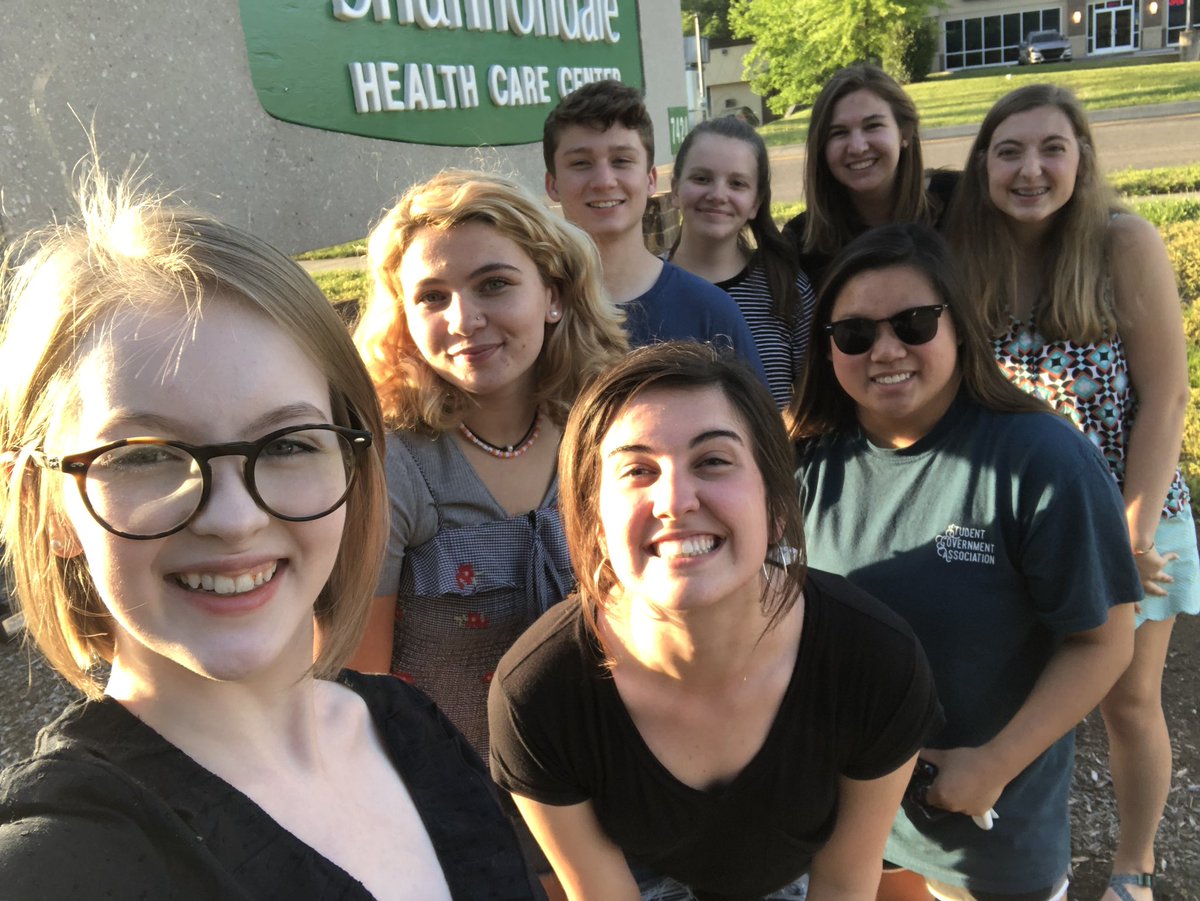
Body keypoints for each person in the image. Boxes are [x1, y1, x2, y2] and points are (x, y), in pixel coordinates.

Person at [0, 167, 539, 898]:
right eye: (147, 456)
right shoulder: (58, 863)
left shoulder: (409, 728)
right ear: (46, 503)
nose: (233, 517)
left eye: (286, 444)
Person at [489, 341, 945, 900]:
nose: (675, 500)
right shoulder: (537, 694)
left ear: (776, 505)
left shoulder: (875, 659)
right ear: (595, 523)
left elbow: (846, 881)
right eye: (637, 470)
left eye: (712, 461)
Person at [789, 223, 1140, 901]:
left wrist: (994, 762)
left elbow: (1104, 638)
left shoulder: (1041, 458)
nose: (885, 350)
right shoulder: (802, 460)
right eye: (855, 334)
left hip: (986, 829)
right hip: (850, 825)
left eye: (914, 323)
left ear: (959, 324)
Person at [945, 84, 1200, 901]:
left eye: (1051, 149)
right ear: (983, 163)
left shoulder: (1122, 242)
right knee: (1026, 699)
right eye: (1009, 151)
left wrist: (1132, 531)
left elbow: (1167, 396)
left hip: (1133, 514)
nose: (1030, 169)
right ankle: (1018, 860)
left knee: (1126, 700)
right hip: (1021, 524)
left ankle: (1134, 867)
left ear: (1081, 158)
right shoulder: (965, 253)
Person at [352, 170, 627, 763]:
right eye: (431, 297)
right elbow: (357, 689)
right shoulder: (389, 467)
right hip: (464, 806)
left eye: (494, 284)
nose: (462, 320)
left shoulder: (610, 433)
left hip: (622, 778)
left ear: (553, 295)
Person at [542, 80, 768, 383]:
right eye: (581, 163)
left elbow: (756, 429)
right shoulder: (533, 311)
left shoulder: (710, 311)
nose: (604, 181)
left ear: (650, 179)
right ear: (552, 184)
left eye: (622, 161)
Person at [666, 116, 816, 408]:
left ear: (755, 203)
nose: (718, 194)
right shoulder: (647, 286)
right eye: (701, 178)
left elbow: (813, 405)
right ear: (675, 190)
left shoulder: (787, 288)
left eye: (737, 183)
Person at [782, 64, 957, 288]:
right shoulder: (801, 242)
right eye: (839, 133)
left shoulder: (958, 201)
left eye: (873, 126)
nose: (857, 147)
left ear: (904, 133)